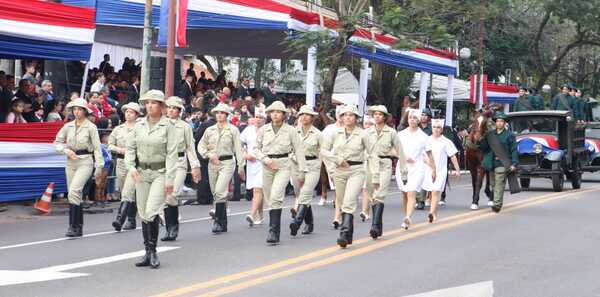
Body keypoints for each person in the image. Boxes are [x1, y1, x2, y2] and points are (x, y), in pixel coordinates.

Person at [125, 90, 178, 269]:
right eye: (147, 102)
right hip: (141, 172)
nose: (150, 105)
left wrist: (170, 179)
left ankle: (154, 251)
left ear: (161, 106)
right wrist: (131, 167)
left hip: (160, 172)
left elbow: (172, 154)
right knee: (142, 212)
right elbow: (130, 148)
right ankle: (147, 252)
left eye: (154, 103)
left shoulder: (168, 126)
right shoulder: (138, 125)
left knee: (151, 210)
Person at [254, 101, 306, 245]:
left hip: (283, 164)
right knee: (270, 199)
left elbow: (299, 150)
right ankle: (274, 229)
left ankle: (273, 232)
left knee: (277, 196)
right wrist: (265, 159)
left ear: (284, 115)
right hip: (267, 165)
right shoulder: (263, 130)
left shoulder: (290, 130)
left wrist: (302, 171)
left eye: (278, 112)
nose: (275, 114)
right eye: (272, 112)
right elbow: (255, 149)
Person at [53, 98, 104, 237]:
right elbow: (56, 142)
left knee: (74, 190)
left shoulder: (91, 127)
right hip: (70, 161)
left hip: (85, 160)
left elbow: (97, 148)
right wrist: (65, 150)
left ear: (85, 111)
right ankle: (78, 227)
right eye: (74, 109)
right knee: (73, 194)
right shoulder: (67, 126)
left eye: (80, 109)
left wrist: (99, 166)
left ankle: (73, 226)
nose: (77, 112)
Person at [321, 104, 368, 248]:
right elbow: (323, 150)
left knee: (349, 200)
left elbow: (371, 152)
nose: (347, 117)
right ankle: (348, 234)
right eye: (345, 115)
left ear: (356, 118)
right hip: (339, 169)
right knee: (341, 201)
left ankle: (344, 232)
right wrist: (336, 160)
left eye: (351, 115)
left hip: (357, 169)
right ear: (341, 118)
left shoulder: (363, 134)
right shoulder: (335, 133)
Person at [197, 103, 245, 234]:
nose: (219, 115)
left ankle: (217, 221)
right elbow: (201, 146)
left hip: (227, 162)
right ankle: (223, 223)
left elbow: (238, 149)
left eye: (222, 113)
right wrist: (208, 154)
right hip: (213, 163)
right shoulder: (209, 130)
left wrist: (241, 166)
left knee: (220, 191)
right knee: (216, 193)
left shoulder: (233, 130)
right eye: (217, 113)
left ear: (227, 115)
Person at [364, 105, 407, 239]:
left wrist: (403, 171)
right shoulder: (367, 132)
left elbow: (400, 150)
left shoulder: (391, 132)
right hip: (370, 165)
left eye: (380, 114)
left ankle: (375, 226)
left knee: (380, 194)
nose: (377, 116)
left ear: (385, 117)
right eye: (375, 114)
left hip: (385, 164)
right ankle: (378, 225)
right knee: (372, 195)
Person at [162, 97, 201, 240]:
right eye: (169, 107)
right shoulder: (161, 124)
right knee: (165, 196)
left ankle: (173, 228)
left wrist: (195, 166)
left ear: (179, 111)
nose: (171, 110)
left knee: (172, 194)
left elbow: (190, 148)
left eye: (174, 108)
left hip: (179, 162)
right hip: (164, 162)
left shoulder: (184, 126)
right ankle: (168, 227)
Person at [395, 108, 436, 230]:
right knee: (405, 193)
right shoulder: (401, 134)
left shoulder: (423, 136)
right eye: (410, 118)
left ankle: (408, 217)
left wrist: (433, 169)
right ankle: (406, 214)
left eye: (414, 118)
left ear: (418, 120)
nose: (412, 120)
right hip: (402, 167)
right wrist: (403, 156)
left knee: (411, 192)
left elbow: (429, 154)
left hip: (417, 167)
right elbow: (393, 149)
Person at [289, 105, 322, 236]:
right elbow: (287, 148)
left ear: (312, 117)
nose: (304, 116)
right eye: (302, 114)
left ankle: (296, 223)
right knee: (300, 194)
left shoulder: (318, 134)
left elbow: (322, 151)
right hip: (296, 165)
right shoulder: (292, 132)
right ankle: (309, 223)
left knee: (306, 193)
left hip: (312, 165)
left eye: (307, 114)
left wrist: (321, 165)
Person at [109, 102, 141, 232]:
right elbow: (110, 144)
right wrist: (120, 150)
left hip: (134, 163)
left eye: (131, 112)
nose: (128, 114)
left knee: (128, 191)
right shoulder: (118, 129)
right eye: (127, 111)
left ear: (137, 114)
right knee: (124, 191)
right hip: (121, 162)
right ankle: (132, 219)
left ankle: (119, 220)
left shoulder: (140, 128)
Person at [422, 119, 460, 222]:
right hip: (428, 170)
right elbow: (423, 156)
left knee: (435, 191)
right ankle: (434, 212)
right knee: (431, 192)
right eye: (434, 127)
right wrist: (430, 165)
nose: (436, 129)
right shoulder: (426, 140)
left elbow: (452, 156)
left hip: (441, 171)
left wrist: (457, 169)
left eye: (438, 127)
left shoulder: (446, 142)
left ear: (442, 129)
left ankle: (431, 212)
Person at [480, 112, 518, 213]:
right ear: (495, 123)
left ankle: (497, 204)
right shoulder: (490, 134)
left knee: (499, 183)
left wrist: (514, 163)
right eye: (497, 121)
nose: (499, 123)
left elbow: (514, 150)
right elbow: (485, 149)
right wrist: (482, 139)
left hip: (503, 163)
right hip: (492, 163)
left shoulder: (510, 135)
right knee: (493, 184)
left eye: (501, 121)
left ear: (504, 123)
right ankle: (497, 201)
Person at [241, 113, 266, 226]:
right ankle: (259, 214)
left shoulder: (268, 130)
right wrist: (245, 154)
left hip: (263, 163)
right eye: (256, 117)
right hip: (251, 164)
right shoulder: (248, 130)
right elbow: (240, 143)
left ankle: (252, 214)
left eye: (261, 117)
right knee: (256, 190)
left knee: (258, 189)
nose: (258, 119)